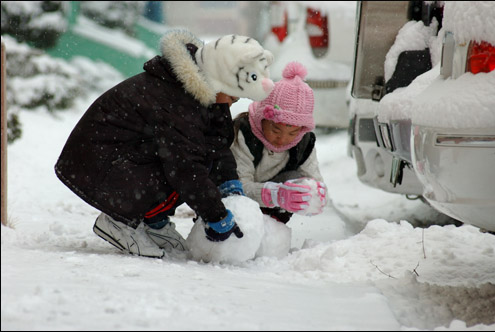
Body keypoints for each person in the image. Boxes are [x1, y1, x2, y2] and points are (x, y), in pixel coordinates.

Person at [54, 29, 274, 258]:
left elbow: (215, 143)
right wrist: (216, 216)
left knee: (196, 158)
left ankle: (152, 220)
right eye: (231, 96)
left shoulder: (204, 92)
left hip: (124, 156)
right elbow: (186, 167)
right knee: (184, 164)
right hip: (97, 161)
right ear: (220, 81)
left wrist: (229, 181)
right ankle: (119, 221)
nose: (230, 104)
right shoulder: (176, 101)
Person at [231, 61, 327, 224]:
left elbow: (313, 180)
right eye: (275, 130)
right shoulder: (245, 134)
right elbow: (239, 186)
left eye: (292, 133)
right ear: (263, 118)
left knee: (297, 180)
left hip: (274, 209)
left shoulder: (304, 143)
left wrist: (314, 196)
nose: (282, 140)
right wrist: (272, 194)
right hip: (236, 207)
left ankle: (273, 226)